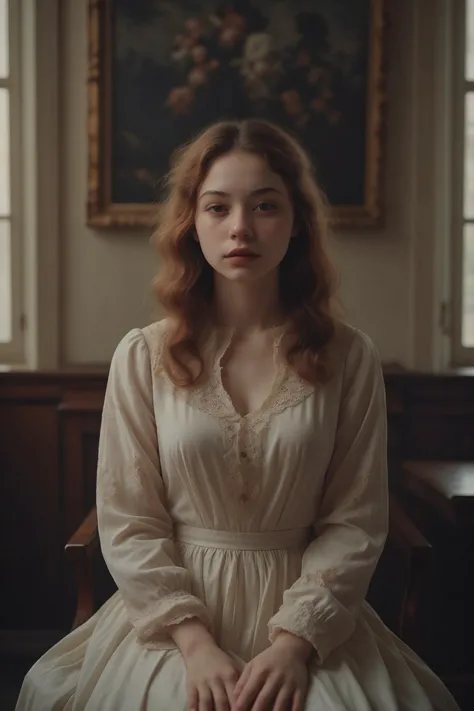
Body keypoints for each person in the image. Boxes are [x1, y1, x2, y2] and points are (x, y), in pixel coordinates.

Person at [16, 119, 460, 711]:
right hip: (174, 621)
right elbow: (129, 520)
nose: (241, 228)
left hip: (307, 614)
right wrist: (195, 645)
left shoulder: (349, 357)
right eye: (218, 207)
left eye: (265, 206)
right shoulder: (144, 356)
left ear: (297, 220)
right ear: (191, 224)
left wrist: (294, 644)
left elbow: (354, 521)